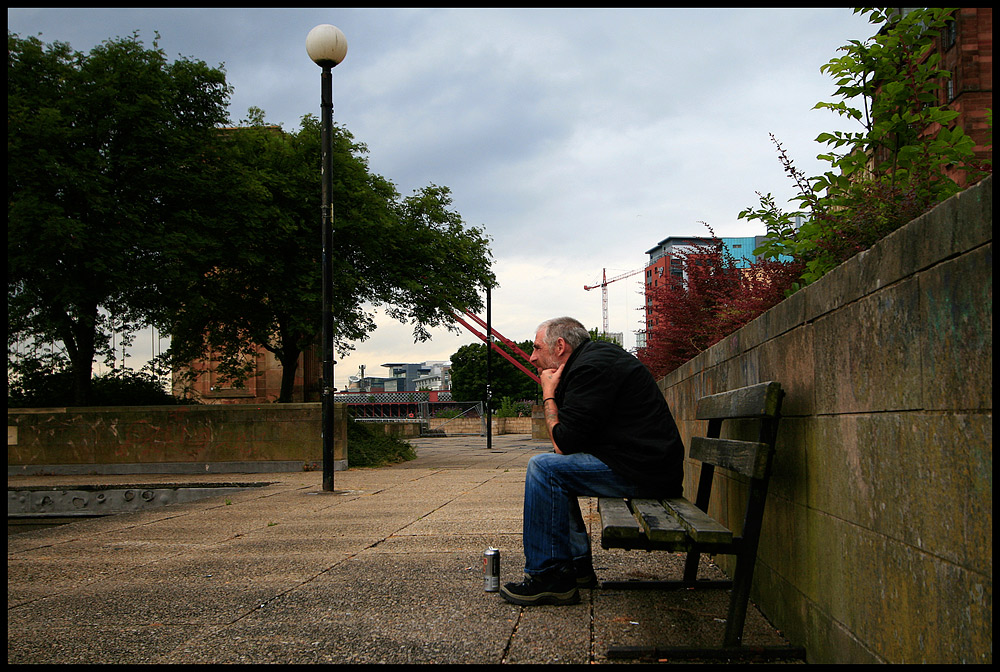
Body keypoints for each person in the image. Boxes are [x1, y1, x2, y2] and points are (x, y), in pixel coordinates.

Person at [499, 316, 685, 606]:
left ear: (560, 346)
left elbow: (563, 444)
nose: (533, 357)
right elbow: (574, 441)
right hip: (643, 464)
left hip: (646, 471)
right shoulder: (589, 362)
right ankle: (576, 566)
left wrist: (548, 393)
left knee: (545, 469)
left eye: (536, 348)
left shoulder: (591, 368)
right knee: (554, 470)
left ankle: (549, 576)